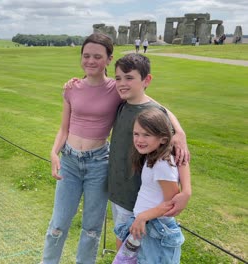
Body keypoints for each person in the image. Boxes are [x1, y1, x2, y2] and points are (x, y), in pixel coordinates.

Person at [42, 33, 122, 264]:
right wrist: (53, 152)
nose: (90, 61)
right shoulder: (72, 88)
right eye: (86, 56)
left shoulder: (117, 89)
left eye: (97, 56)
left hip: (99, 164)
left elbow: (149, 103)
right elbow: (63, 129)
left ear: (109, 59)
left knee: (92, 229)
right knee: (58, 223)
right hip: (70, 162)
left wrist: (179, 132)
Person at [109, 53, 191, 250]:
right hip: (119, 191)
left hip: (140, 202)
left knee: (137, 252)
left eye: (129, 78)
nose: (122, 83)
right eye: (118, 78)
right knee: (123, 249)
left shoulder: (154, 115)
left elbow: (178, 155)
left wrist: (187, 190)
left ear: (147, 80)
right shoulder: (122, 104)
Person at [113, 108, 187, 263]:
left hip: (155, 230)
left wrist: (143, 216)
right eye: (136, 134)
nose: (139, 139)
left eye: (147, 135)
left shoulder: (162, 165)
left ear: (163, 139)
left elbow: (172, 204)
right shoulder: (153, 157)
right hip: (144, 225)